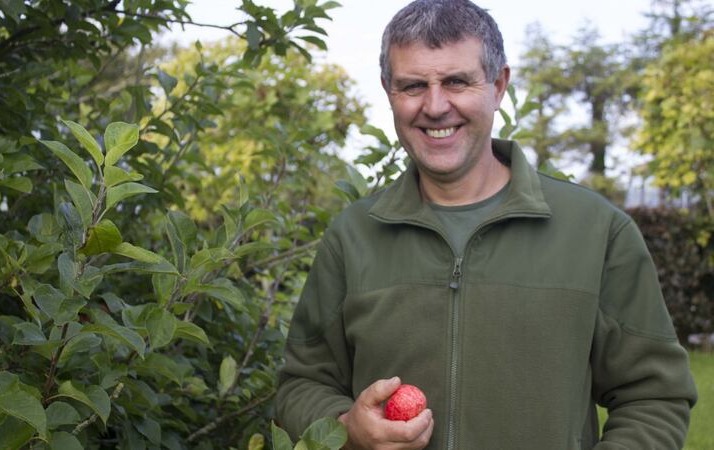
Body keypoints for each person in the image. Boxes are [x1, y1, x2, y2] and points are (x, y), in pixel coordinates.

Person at [274, 0, 698, 448]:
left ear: (498, 86)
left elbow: (655, 397)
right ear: (388, 91)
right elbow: (300, 386)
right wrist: (345, 429)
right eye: (413, 86)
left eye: (457, 81)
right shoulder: (352, 236)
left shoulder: (597, 232)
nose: (435, 106)